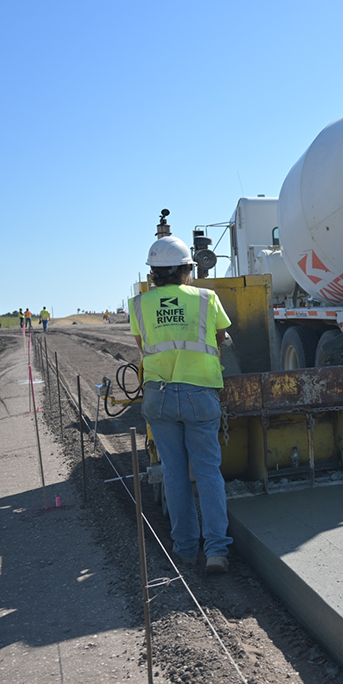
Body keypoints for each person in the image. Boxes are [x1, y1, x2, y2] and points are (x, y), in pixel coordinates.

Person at [130, 236, 233, 574]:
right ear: (189, 269)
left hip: (159, 397)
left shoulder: (139, 305)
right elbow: (221, 339)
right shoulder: (207, 299)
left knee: (174, 475)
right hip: (199, 393)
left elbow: (142, 344)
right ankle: (217, 551)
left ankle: (186, 551)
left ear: (153, 274)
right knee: (207, 473)